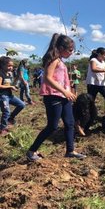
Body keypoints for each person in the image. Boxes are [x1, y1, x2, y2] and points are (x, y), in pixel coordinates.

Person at [27, 33, 86, 161]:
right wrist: (65, 91)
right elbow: (47, 78)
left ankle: (70, 151)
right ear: (60, 48)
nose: (71, 53)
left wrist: (69, 90)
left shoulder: (60, 61)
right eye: (70, 50)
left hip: (63, 96)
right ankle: (31, 151)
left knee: (70, 123)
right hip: (53, 96)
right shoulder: (53, 59)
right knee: (52, 126)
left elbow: (61, 79)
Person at [86, 48, 105, 115]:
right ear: (99, 54)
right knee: (91, 101)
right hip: (92, 84)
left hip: (102, 84)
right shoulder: (93, 60)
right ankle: (89, 116)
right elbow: (93, 69)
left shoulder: (103, 63)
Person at [0, 56, 25, 136]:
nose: (11, 67)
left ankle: (11, 118)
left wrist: (14, 84)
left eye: (12, 66)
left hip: (9, 95)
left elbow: (9, 83)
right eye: (9, 66)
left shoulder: (9, 74)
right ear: (2, 65)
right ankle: (2, 128)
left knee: (21, 104)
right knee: (6, 112)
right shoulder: (1, 74)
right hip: (2, 96)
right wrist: (10, 87)